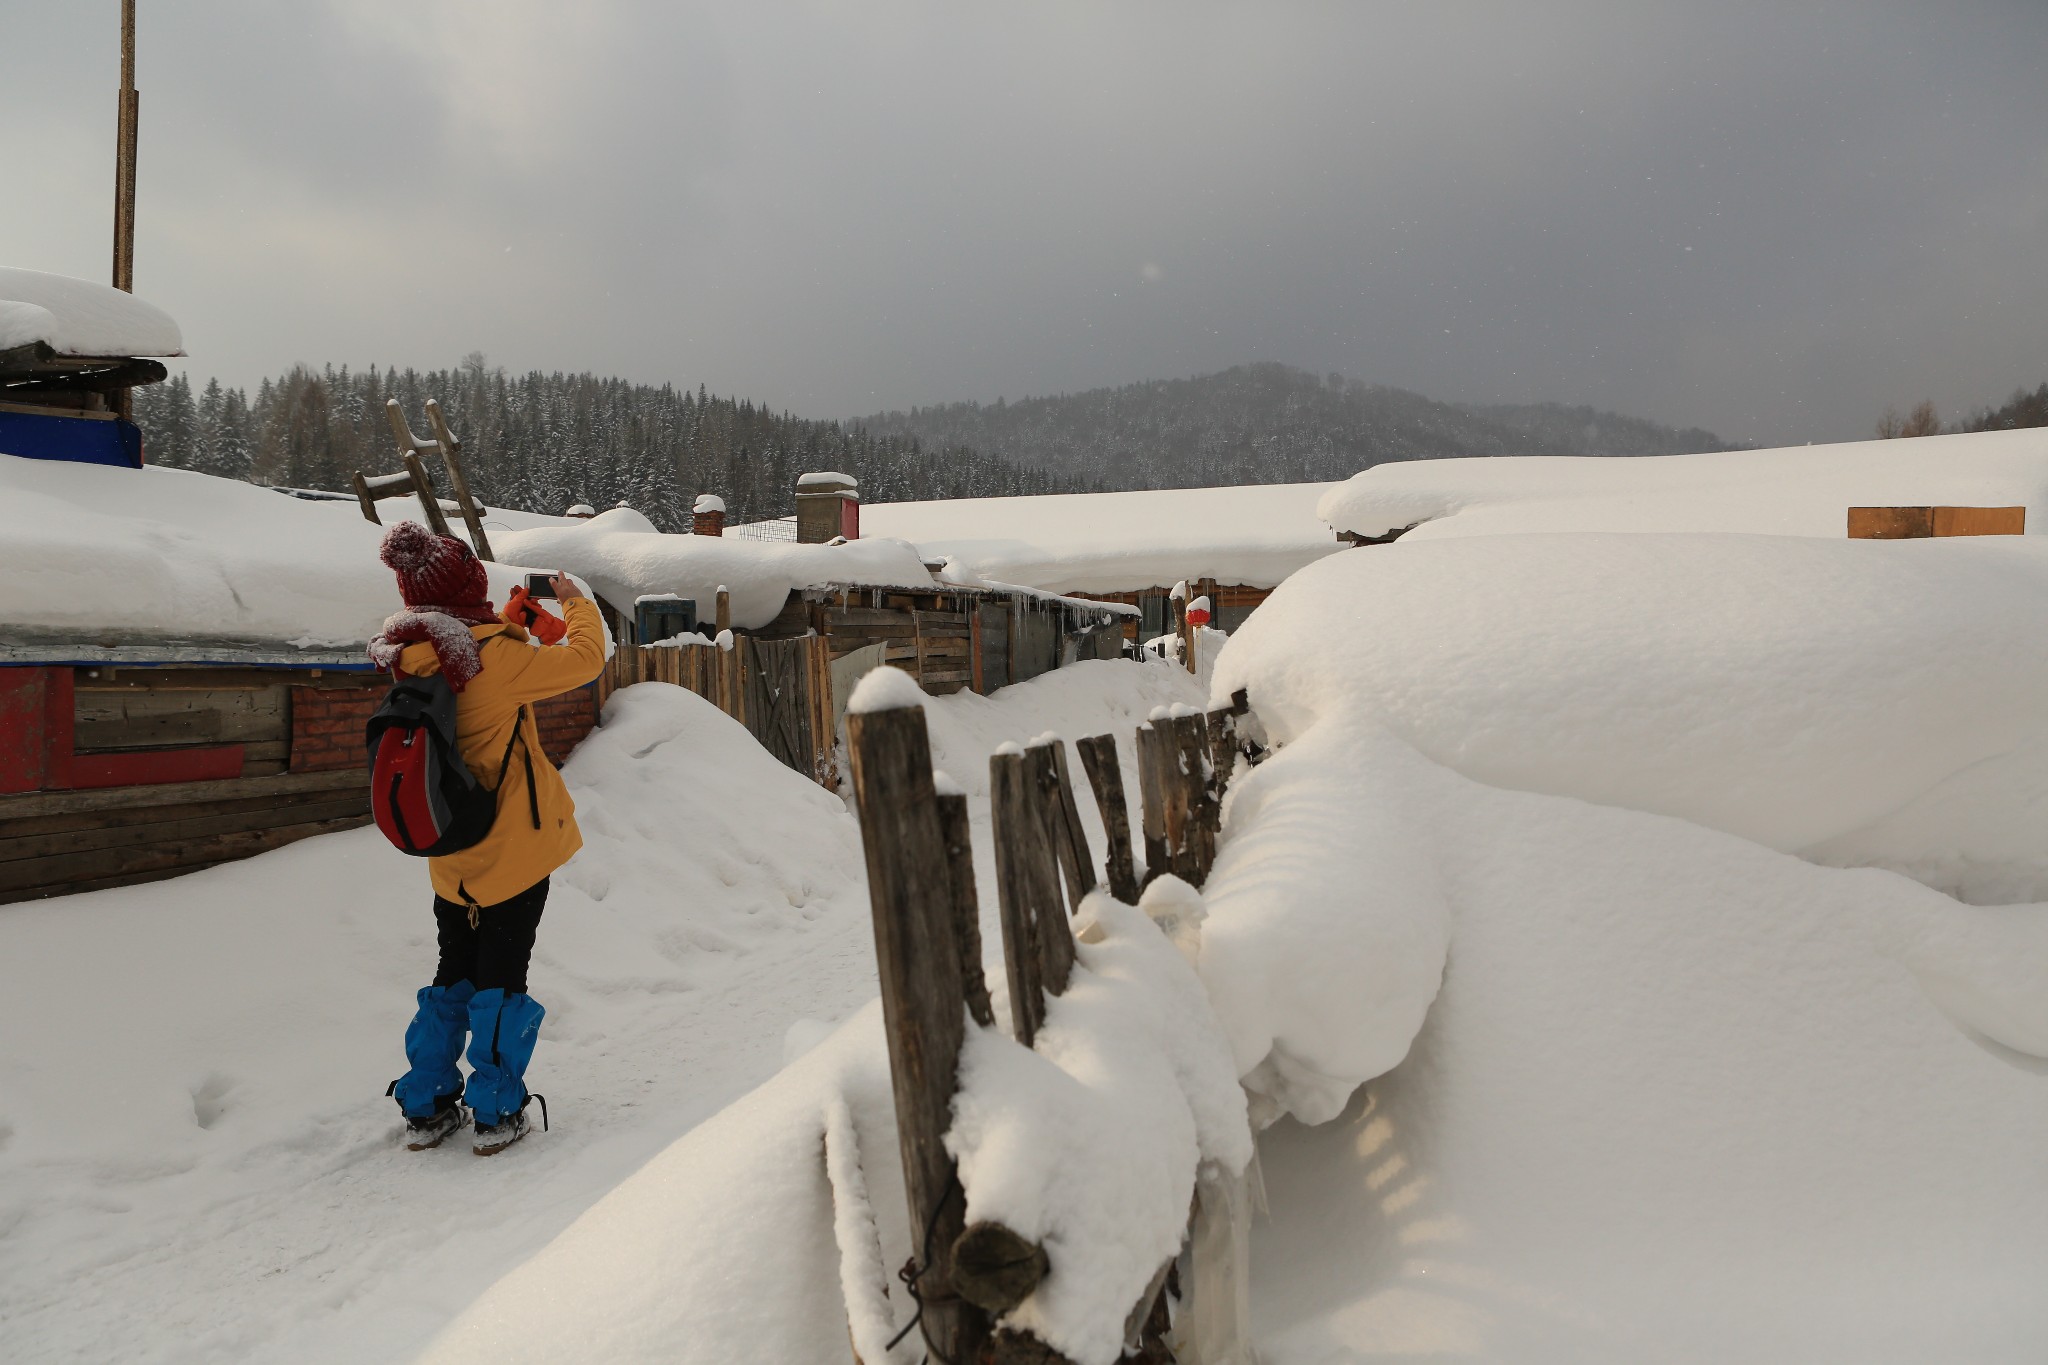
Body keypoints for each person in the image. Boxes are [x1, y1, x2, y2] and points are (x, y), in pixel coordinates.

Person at [368, 522, 607, 1155]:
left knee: (454, 973)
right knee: (503, 979)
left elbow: (473, 678)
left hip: (450, 856)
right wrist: (576, 602)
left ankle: (427, 1104)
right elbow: (586, 660)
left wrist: (506, 626)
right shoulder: (492, 657)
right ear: (467, 589)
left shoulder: (412, 653)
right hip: (511, 854)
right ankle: (498, 1110)